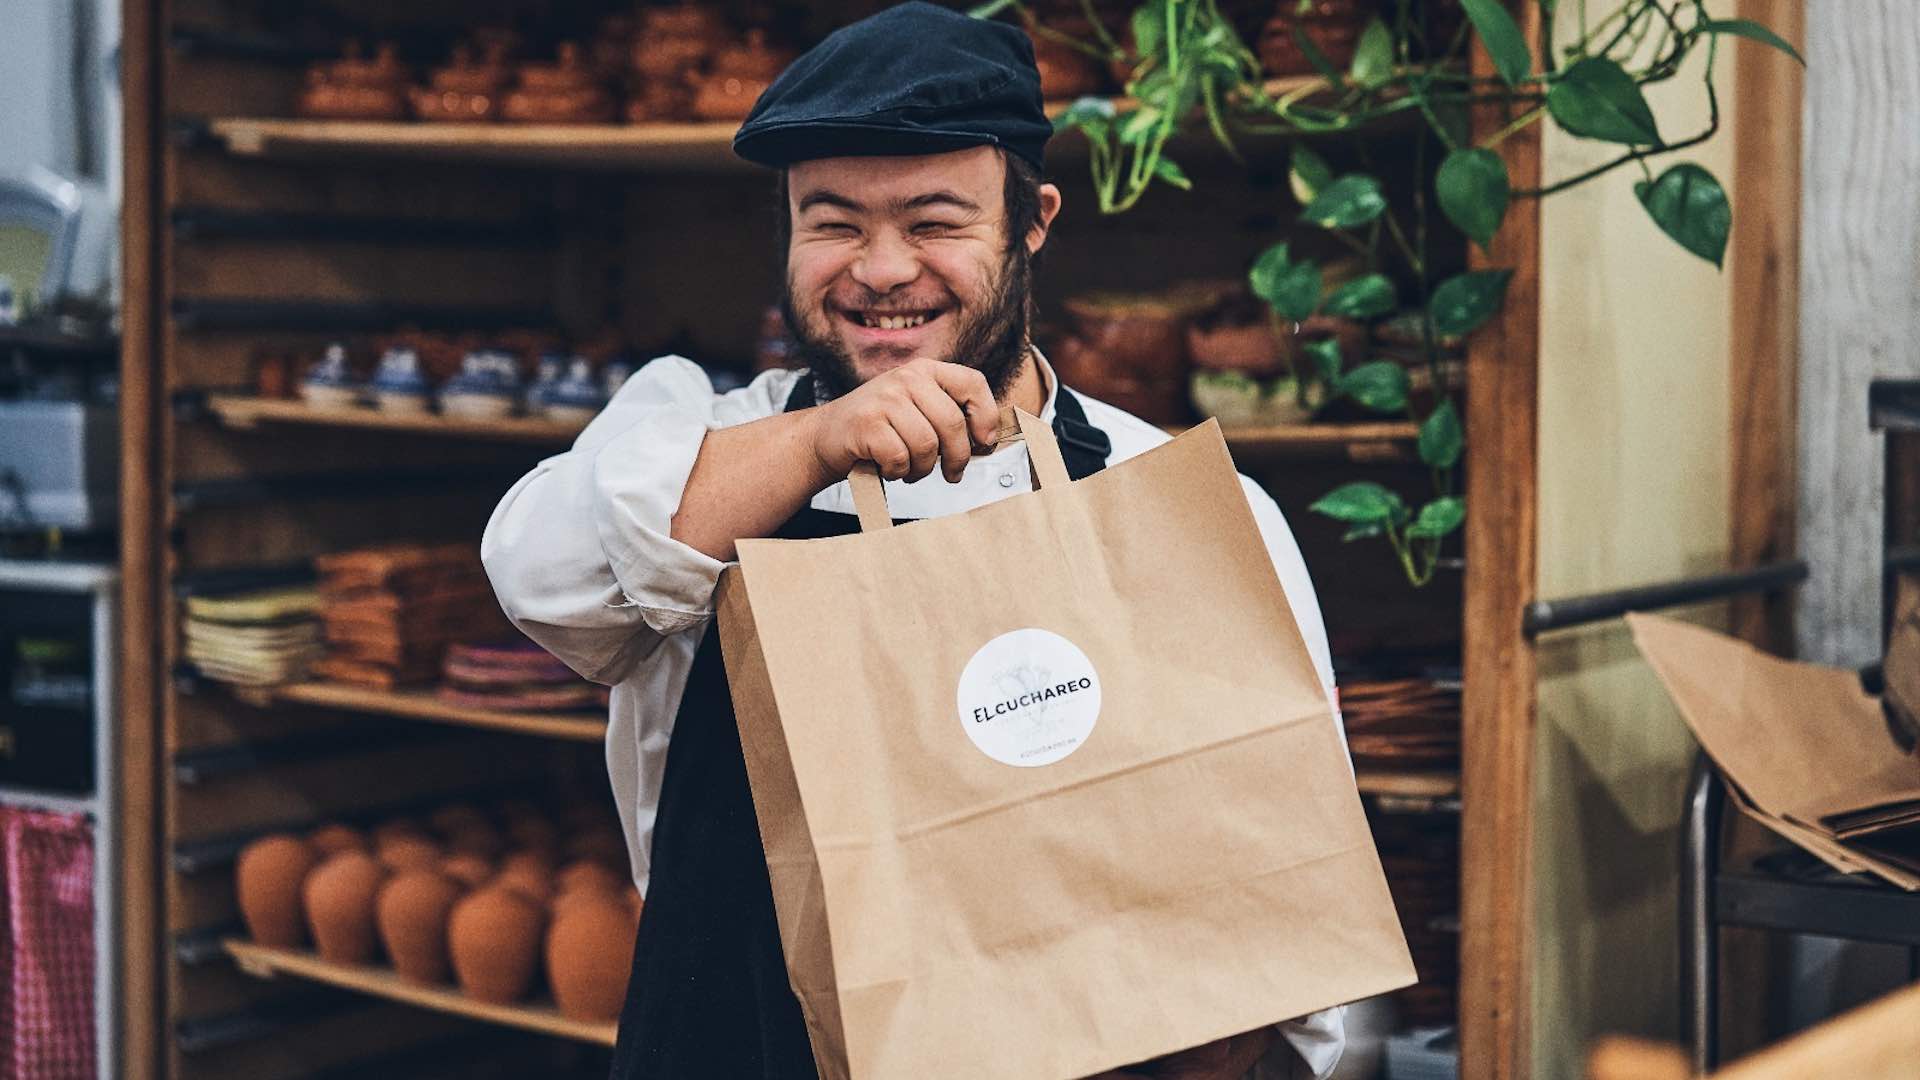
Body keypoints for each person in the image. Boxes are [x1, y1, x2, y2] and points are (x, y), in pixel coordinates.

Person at [482, 4, 1349, 1077]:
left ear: (1032, 220)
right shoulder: (700, 460)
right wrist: (816, 441)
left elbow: (1282, 909)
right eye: (833, 221)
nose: (882, 269)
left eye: (935, 220)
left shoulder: (1167, 500)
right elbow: (542, 581)